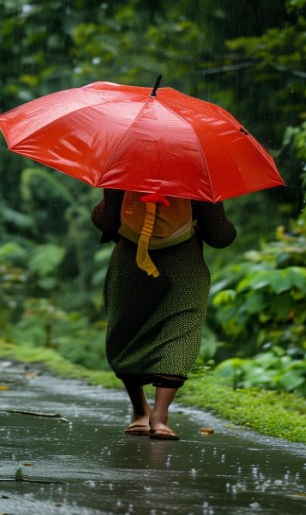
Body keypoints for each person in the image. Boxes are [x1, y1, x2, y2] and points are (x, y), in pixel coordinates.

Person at [91, 189, 237, 441]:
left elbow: (105, 221)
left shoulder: (124, 173)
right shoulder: (195, 179)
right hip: (182, 263)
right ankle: (160, 417)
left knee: (127, 331)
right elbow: (220, 235)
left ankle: (139, 413)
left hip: (130, 260)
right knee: (180, 329)